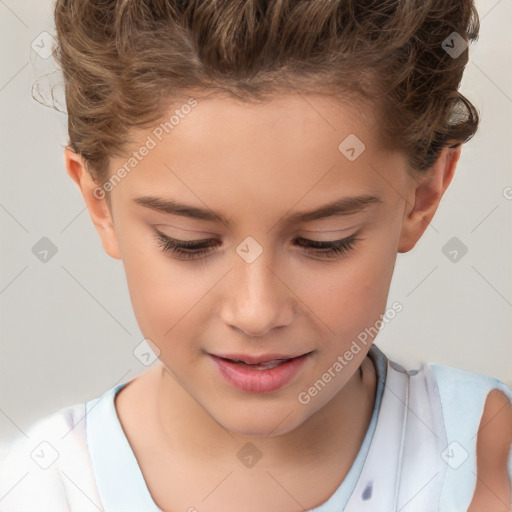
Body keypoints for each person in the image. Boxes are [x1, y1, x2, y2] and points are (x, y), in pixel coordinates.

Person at [1, 0, 511, 511]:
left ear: (422, 195)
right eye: (188, 241)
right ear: (100, 203)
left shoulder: (481, 459)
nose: (256, 312)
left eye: (325, 241)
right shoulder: (33, 490)